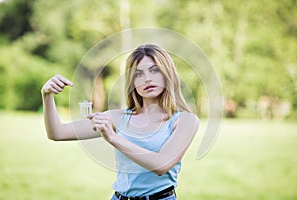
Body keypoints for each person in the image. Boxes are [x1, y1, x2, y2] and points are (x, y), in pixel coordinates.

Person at [41, 44, 199, 200]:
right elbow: (57, 132)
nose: (147, 78)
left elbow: (161, 165)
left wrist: (113, 138)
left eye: (154, 70)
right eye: (138, 74)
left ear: (168, 74)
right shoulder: (119, 118)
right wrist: (47, 95)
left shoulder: (185, 120)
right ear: (132, 82)